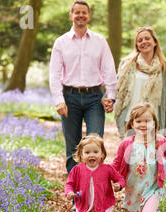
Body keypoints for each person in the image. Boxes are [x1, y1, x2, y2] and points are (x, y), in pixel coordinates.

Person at [49, 0, 117, 174]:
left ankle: (95, 192)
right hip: (69, 97)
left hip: (95, 97)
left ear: (89, 16)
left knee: (95, 144)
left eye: (84, 12)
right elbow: (54, 75)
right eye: (77, 12)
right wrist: (59, 100)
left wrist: (110, 96)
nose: (80, 15)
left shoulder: (100, 41)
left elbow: (109, 70)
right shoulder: (61, 42)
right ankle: (76, 196)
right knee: (73, 147)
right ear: (71, 15)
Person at [113, 26, 166, 139]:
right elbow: (116, 86)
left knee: (151, 155)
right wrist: (108, 99)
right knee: (130, 155)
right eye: (140, 40)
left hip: (154, 122)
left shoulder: (165, 67)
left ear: (155, 42)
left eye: (147, 38)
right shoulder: (127, 64)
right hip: (129, 121)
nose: (144, 42)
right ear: (137, 46)